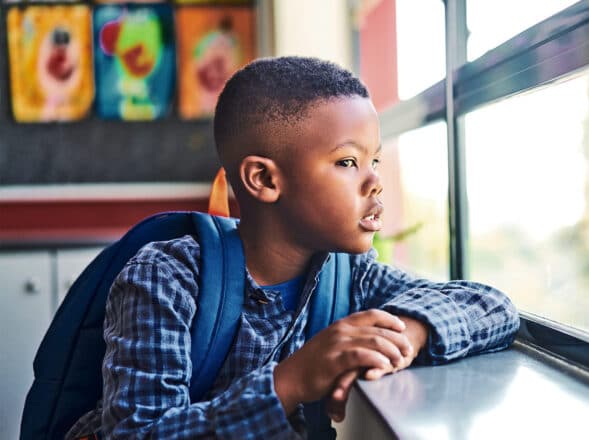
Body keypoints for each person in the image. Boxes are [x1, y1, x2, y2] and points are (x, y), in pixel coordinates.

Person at [66, 56, 519, 439]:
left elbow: (492, 306)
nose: (375, 181)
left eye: (374, 159)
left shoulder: (350, 273)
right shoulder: (166, 277)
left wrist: (406, 333)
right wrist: (293, 380)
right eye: (348, 162)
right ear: (264, 179)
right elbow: (139, 432)